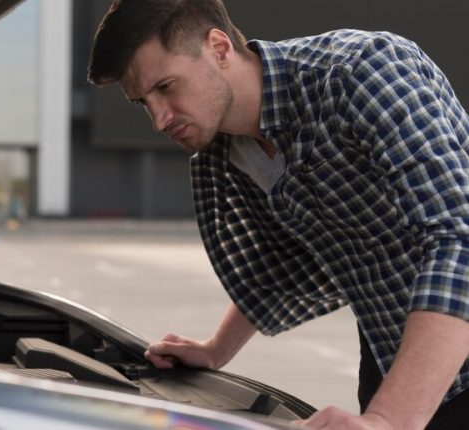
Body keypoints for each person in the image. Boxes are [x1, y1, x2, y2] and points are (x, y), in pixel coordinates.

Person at [87, 1, 469, 429]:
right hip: (393, 356)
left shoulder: (361, 73)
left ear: (217, 47)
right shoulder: (223, 152)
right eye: (142, 102)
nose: (158, 119)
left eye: (166, 87)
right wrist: (216, 349)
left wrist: (388, 418)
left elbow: (459, 240)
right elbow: (285, 263)